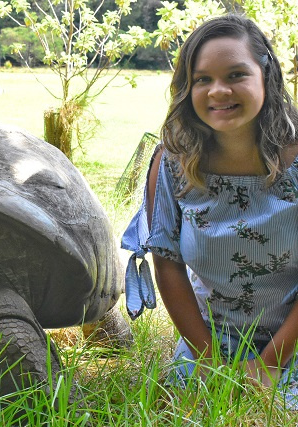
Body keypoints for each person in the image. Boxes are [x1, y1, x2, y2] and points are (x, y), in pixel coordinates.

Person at [121, 13, 298, 402]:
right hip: (211, 340)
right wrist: (210, 358)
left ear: (265, 76)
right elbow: (167, 262)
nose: (218, 91)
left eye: (236, 75)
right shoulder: (172, 160)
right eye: (203, 79)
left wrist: (270, 363)